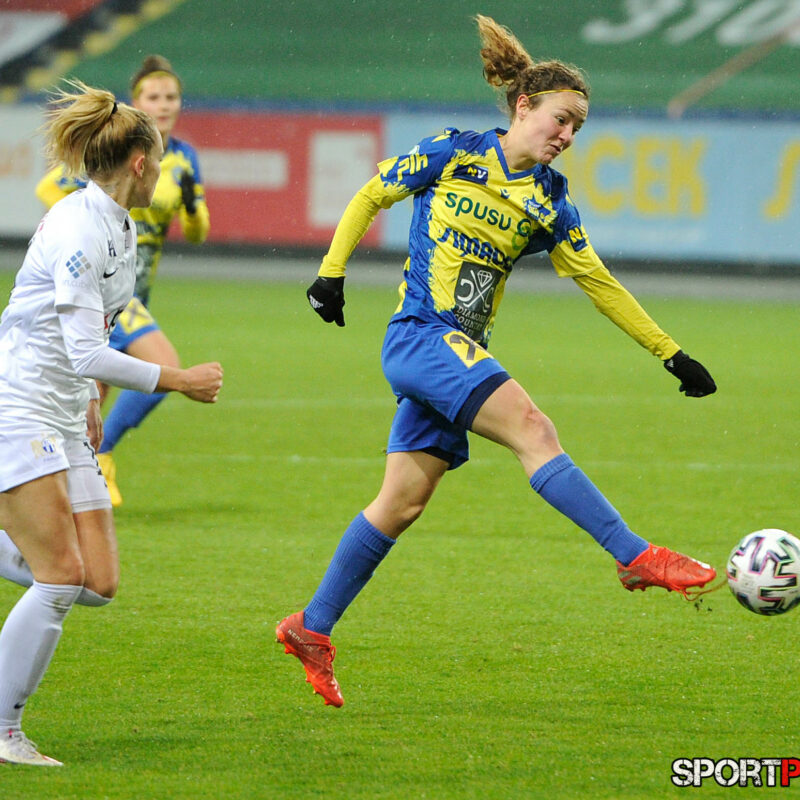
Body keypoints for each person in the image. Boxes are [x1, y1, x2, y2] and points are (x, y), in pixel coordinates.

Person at [276, 15, 717, 708]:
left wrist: (672, 354)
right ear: (524, 106)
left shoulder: (551, 201)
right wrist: (330, 274)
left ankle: (312, 626)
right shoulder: (455, 153)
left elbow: (599, 283)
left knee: (401, 503)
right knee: (533, 430)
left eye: (578, 128)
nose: (567, 136)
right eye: (561, 119)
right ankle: (634, 556)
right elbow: (372, 193)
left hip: (457, 354)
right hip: (423, 336)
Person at [0, 80, 222, 766]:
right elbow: (84, 352)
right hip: (20, 405)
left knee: (96, 582)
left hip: (67, 412)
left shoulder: (121, 226)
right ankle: (3, 731)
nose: (163, 174)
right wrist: (178, 379)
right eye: (159, 162)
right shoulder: (76, 228)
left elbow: (90, 334)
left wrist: (91, 402)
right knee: (59, 576)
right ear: (139, 162)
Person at [35, 54, 210, 507]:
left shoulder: (184, 158)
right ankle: (99, 455)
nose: (164, 104)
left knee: (90, 396)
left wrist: (192, 207)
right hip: (105, 284)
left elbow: (197, 233)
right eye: (154, 97)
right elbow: (49, 187)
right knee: (164, 364)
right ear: (137, 103)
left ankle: (69, 477)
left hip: (131, 291)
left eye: (171, 97)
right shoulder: (116, 153)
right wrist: (84, 219)